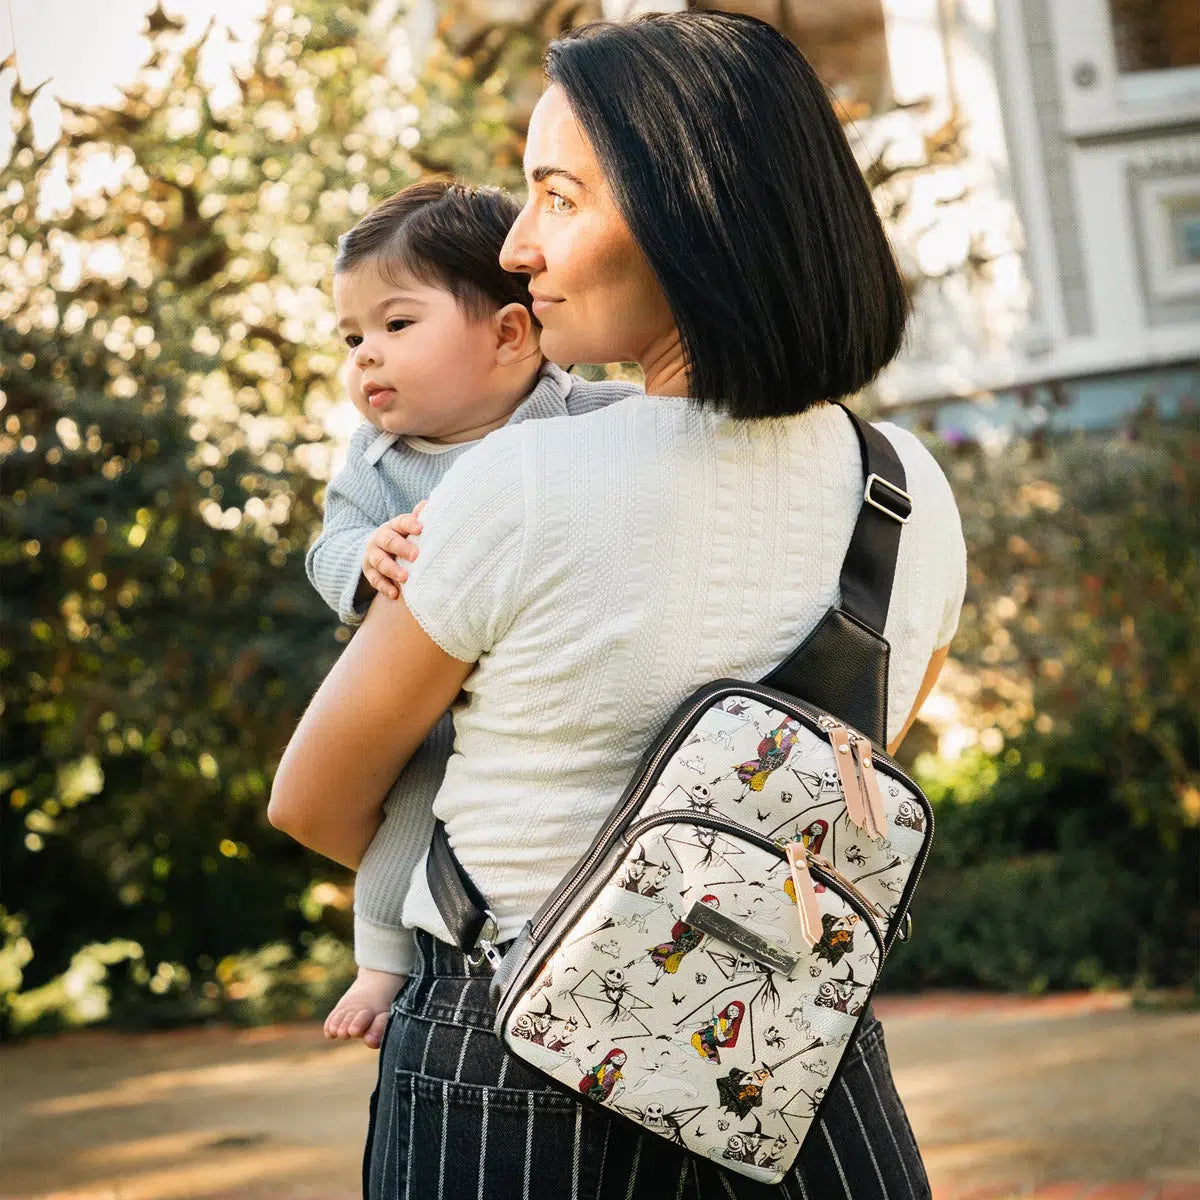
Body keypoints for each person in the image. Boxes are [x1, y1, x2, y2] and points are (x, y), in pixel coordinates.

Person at [269, 11, 966, 1198]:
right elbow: (833, 779)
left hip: (511, 1078)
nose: (520, 253)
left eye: (559, 198)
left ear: (689, 215)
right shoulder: (904, 486)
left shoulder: (518, 483)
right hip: (791, 1073)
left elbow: (315, 798)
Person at [305, 180, 638, 1049]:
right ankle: (382, 956)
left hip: (553, 693)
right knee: (414, 804)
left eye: (396, 324)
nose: (365, 356)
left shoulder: (589, 415)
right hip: (431, 705)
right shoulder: (379, 459)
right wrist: (363, 556)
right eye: (352, 337)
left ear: (508, 332)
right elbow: (330, 540)